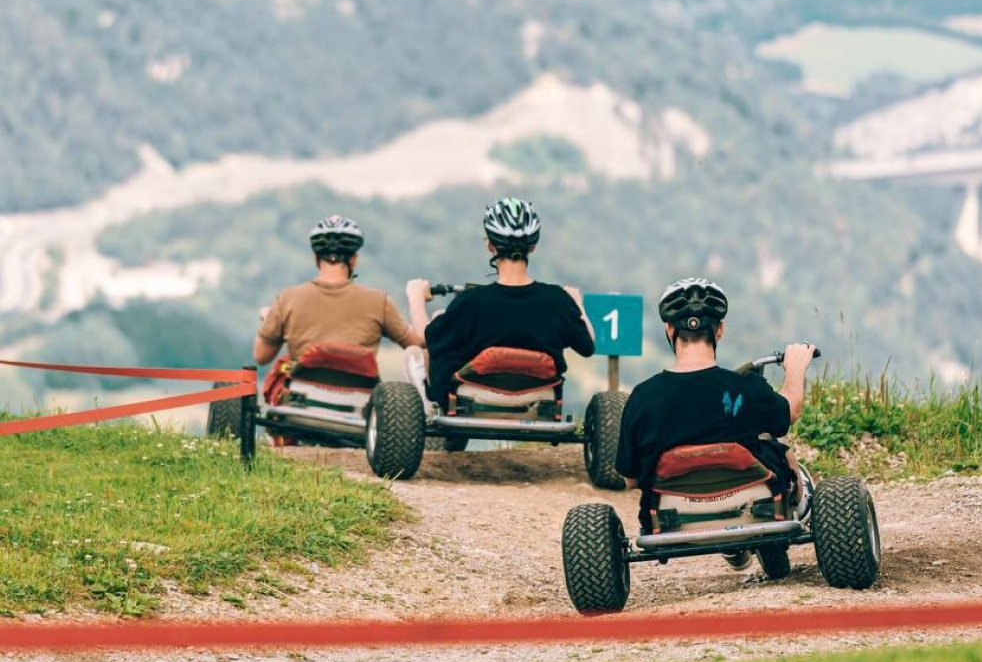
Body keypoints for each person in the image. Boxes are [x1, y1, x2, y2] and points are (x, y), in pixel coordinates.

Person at [615, 277, 817, 541]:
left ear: (669, 329)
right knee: (779, 449)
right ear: (719, 330)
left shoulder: (642, 398)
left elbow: (630, 479)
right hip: (755, 513)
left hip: (670, 522)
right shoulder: (748, 388)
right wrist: (796, 368)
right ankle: (800, 508)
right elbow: (789, 412)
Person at [404, 197, 595, 410]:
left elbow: (424, 339)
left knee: (433, 335)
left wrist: (415, 296)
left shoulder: (470, 302)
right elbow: (588, 346)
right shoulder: (557, 300)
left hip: (472, 395)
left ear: (491, 246)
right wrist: (578, 306)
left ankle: (430, 406)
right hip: (538, 397)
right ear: (532, 247)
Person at [254, 215, 422, 367]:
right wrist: (416, 298)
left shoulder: (287, 299)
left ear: (315, 257)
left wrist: (270, 318)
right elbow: (416, 344)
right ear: (354, 259)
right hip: (360, 398)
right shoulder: (379, 301)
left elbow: (261, 356)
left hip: (301, 398)